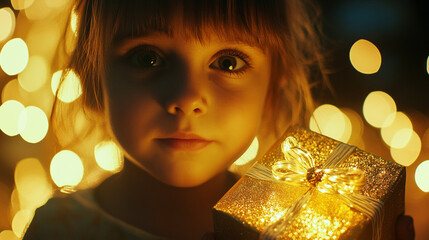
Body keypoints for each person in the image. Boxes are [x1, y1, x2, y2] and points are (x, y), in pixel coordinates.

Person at [23, 0, 414, 239]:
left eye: (228, 62)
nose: (187, 98)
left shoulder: (304, 228)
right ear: (93, 77)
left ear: (272, 89)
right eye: (148, 58)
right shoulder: (57, 230)